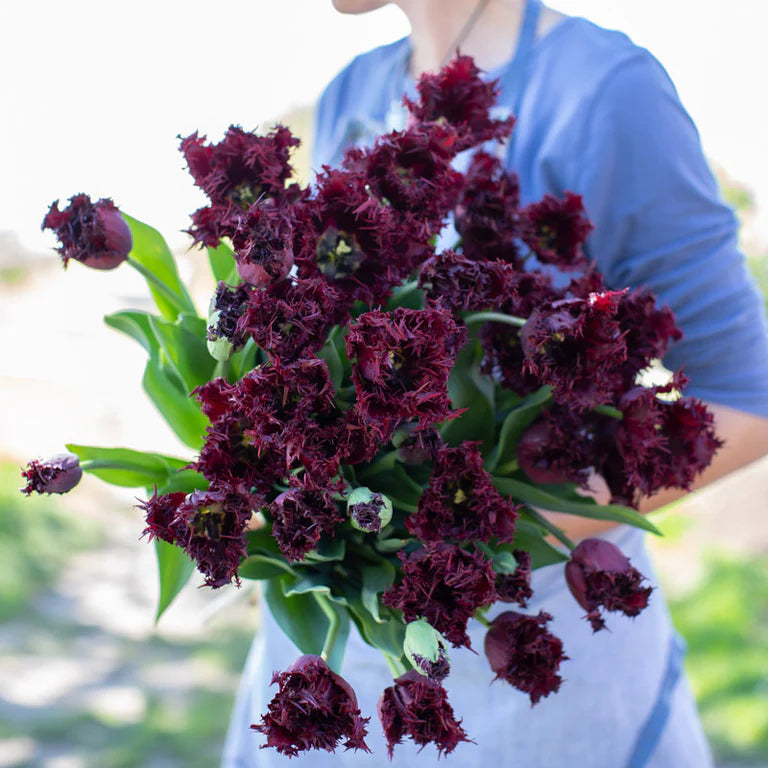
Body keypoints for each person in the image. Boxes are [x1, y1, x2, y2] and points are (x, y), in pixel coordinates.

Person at [222, 1, 768, 765]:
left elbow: (748, 398)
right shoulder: (353, 92)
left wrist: (495, 542)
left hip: (538, 680)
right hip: (341, 676)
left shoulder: (606, 90)